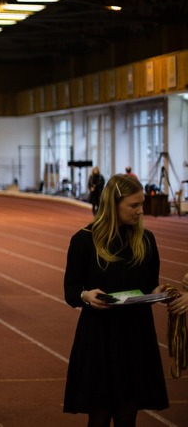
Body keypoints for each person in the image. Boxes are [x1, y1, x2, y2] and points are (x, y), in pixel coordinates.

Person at [63, 174, 169, 425]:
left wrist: (161, 293)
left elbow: (148, 286)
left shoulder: (146, 240)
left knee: (128, 414)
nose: (141, 211)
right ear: (113, 205)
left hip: (136, 336)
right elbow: (70, 291)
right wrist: (85, 296)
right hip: (99, 337)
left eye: (141, 204)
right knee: (99, 415)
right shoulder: (83, 241)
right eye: (134, 205)